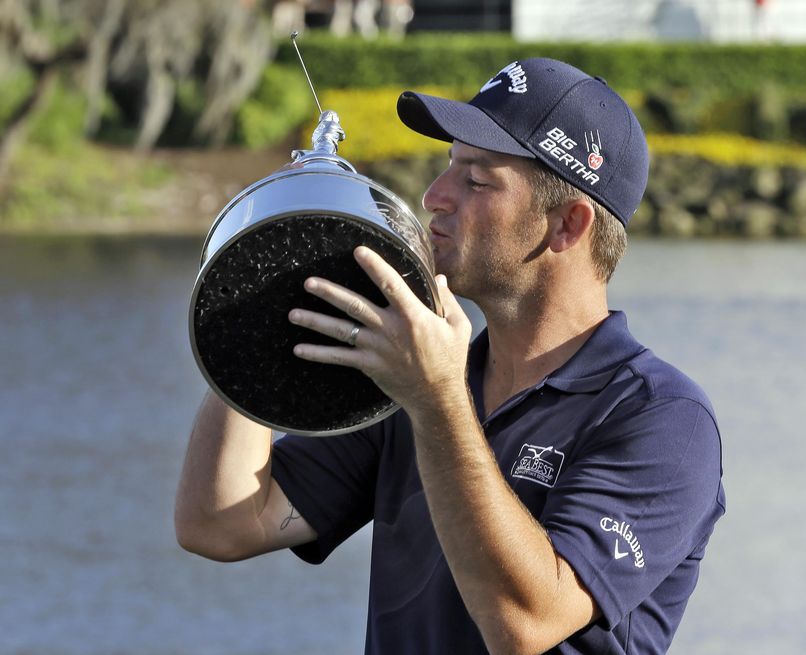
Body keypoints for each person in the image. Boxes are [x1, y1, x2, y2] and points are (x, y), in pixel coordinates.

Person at [175, 58, 726, 655]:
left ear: (568, 224)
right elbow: (222, 522)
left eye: (477, 180)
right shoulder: (412, 374)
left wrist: (436, 400)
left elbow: (524, 625)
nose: (434, 198)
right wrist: (260, 312)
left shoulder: (663, 419)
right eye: (446, 169)